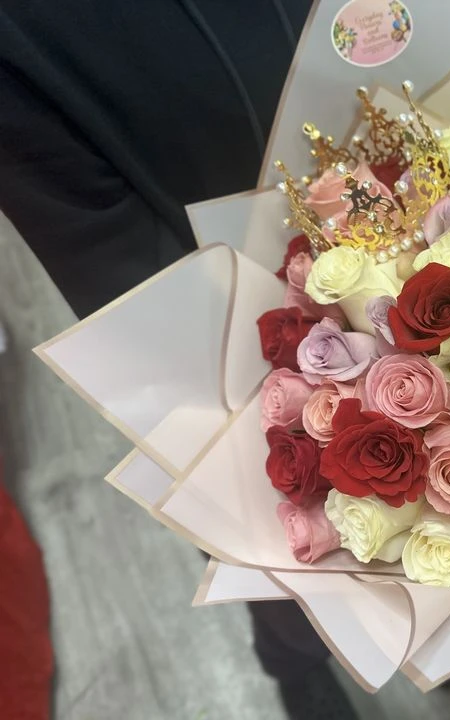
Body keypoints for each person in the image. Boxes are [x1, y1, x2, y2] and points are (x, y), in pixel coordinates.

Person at [0, 2, 358, 717]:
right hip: (204, 312)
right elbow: (100, 246)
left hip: (385, 189)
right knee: (268, 526)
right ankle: (294, 662)